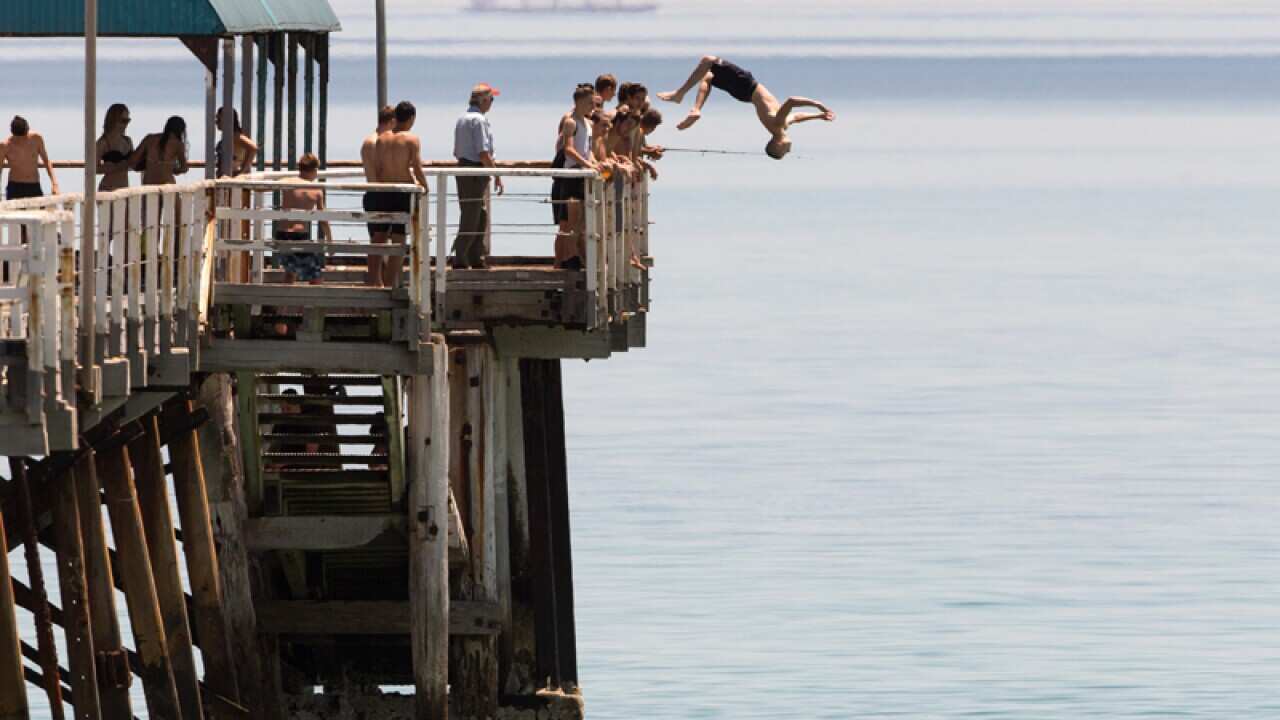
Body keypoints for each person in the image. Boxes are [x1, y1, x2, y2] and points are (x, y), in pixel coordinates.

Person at [658, 55, 836, 159]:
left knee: (708, 61)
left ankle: (681, 96)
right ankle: (696, 108)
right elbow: (797, 116)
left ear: (778, 144)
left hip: (747, 86)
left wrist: (818, 105)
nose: (789, 150)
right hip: (744, 96)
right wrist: (818, 116)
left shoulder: (777, 124)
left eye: (784, 152)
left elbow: (791, 101)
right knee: (709, 76)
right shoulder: (780, 126)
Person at [369, 101, 428, 288]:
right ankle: (389, 284)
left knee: (379, 239)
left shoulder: (381, 139)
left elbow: (378, 170)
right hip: (402, 192)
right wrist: (425, 187)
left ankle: (375, 281)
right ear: (411, 118)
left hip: (384, 191)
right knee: (399, 241)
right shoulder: (412, 139)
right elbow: (417, 168)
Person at [452, 83, 505, 269]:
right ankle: (461, 257)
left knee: (478, 214)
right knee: (472, 214)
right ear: (483, 100)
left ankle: (475, 256)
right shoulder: (479, 120)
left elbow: (456, 151)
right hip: (474, 170)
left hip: (465, 168)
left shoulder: (462, 118)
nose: (492, 103)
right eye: (491, 99)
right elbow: (483, 152)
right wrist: (496, 174)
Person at [550, 85, 598, 270]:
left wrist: (594, 163)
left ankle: (574, 255)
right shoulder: (571, 122)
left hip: (583, 176)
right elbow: (568, 149)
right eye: (589, 102)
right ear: (579, 102)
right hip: (571, 175)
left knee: (580, 221)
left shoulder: (588, 123)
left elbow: (589, 150)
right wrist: (586, 164)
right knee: (569, 220)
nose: (592, 106)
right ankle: (567, 257)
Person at [274, 153, 332, 287]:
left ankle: (284, 307)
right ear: (314, 170)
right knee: (315, 275)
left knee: (290, 273)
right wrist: (330, 239)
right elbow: (323, 219)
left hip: (282, 234)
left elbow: (261, 187)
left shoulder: (287, 182)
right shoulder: (316, 190)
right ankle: (312, 304)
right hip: (300, 236)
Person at [0, 116, 59, 199]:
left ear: (27, 130)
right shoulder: (5, 146)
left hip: (34, 185)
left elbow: (46, 161)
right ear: (13, 133)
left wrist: (54, 184)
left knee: (39, 211)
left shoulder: (36, 139)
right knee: (13, 212)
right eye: (18, 138)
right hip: (14, 187)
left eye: (24, 137)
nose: (21, 141)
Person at [361, 105, 395, 242]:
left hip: (371, 193)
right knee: (382, 240)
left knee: (376, 240)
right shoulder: (380, 142)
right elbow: (383, 171)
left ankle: (377, 264)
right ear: (392, 121)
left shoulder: (368, 140)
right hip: (383, 194)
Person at [133, 116, 189, 185]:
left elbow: (133, 160)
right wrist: (174, 170)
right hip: (168, 186)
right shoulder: (178, 144)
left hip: (149, 185)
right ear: (181, 130)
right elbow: (184, 168)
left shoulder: (150, 138)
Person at [96, 104, 134, 192]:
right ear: (113, 120)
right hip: (108, 188)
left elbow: (134, 164)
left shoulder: (128, 141)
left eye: (128, 121)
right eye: (123, 121)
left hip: (125, 189)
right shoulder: (103, 142)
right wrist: (114, 167)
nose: (126, 124)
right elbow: (94, 169)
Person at [215, 107, 258, 177]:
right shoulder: (228, 135)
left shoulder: (235, 136)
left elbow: (253, 148)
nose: (216, 122)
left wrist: (241, 172)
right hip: (227, 177)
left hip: (233, 177)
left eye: (219, 119)